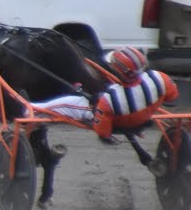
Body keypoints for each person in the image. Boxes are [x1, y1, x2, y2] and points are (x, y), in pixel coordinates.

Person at [40, 45, 179, 141]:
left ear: (118, 71)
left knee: (62, 104)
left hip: (117, 120)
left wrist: (97, 102)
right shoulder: (160, 78)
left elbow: (102, 132)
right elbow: (173, 96)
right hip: (144, 116)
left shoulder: (110, 99)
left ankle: (28, 111)